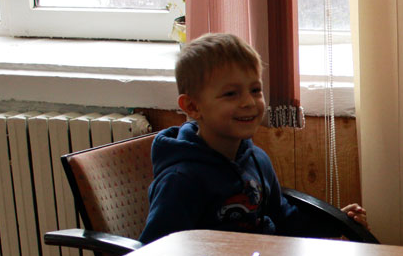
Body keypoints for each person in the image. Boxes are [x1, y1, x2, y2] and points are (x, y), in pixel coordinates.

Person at [139, 32, 368, 244]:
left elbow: (282, 218)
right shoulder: (181, 180)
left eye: (255, 90)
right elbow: (158, 250)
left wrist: (336, 222)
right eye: (231, 94)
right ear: (192, 106)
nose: (249, 102)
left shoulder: (257, 158)